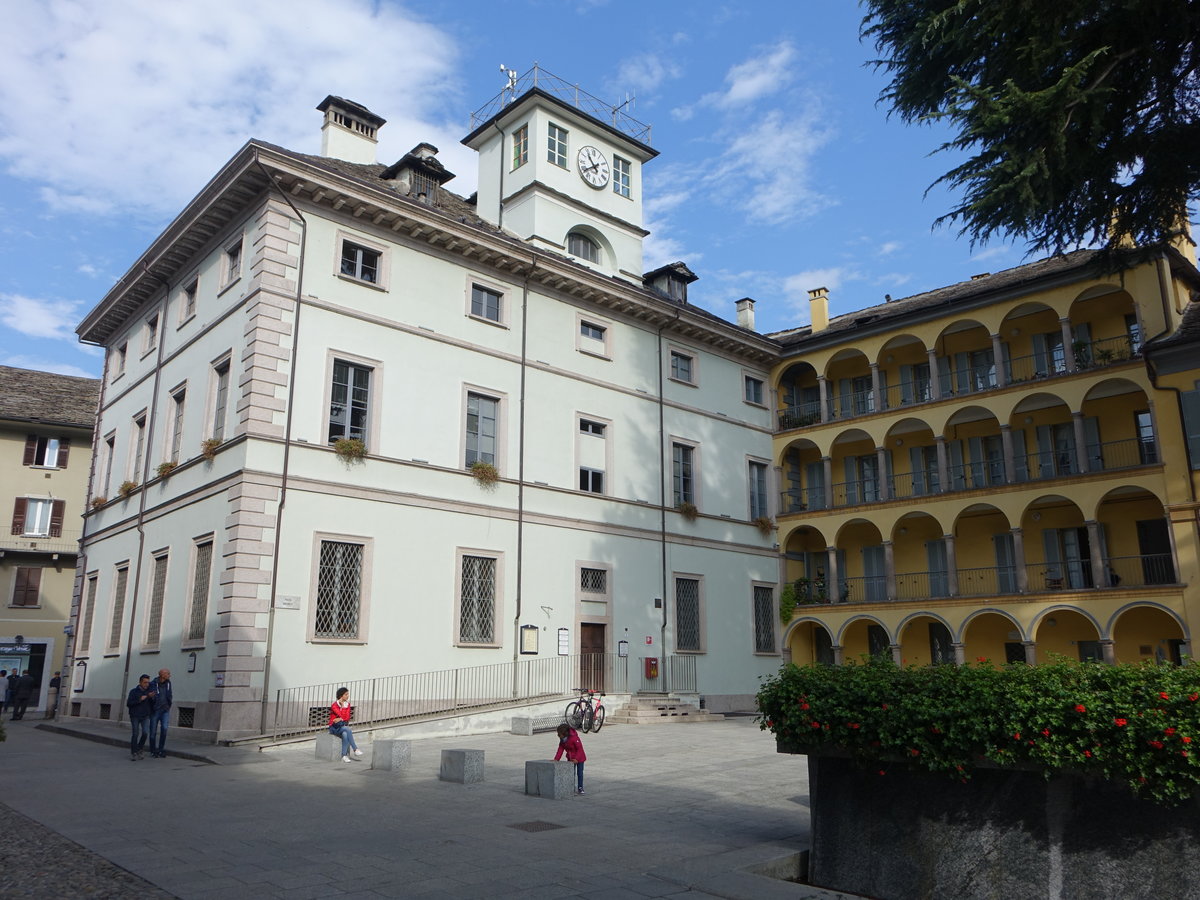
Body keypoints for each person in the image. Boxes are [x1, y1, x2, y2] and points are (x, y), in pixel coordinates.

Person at [328, 687, 363, 762]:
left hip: (342, 726)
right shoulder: (334, 705)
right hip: (334, 727)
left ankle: (344, 756)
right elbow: (341, 715)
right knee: (347, 729)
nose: (348, 696)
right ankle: (355, 749)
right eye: (346, 694)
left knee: (345, 734)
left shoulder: (348, 704)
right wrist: (342, 707)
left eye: (348, 694)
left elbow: (347, 717)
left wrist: (341, 718)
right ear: (341, 696)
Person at [126, 674, 155, 761]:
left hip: (145, 716)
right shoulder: (134, 691)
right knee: (135, 733)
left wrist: (152, 698)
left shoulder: (148, 692)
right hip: (135, 715)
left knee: (145, 733)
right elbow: (129, 703)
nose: (147, 684)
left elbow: (152, 704)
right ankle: (134, 752)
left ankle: (139, 748)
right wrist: (139, 700)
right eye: (145, 682)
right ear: (140, 682)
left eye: (148, 683)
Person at [555, 722, 588, 795]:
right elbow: (560, 749)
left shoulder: (574, 738)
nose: (558, 735)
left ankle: (580, 787)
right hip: (570, 758)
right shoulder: (562, 740)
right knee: (570, 773)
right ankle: (570, 786)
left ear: (564, 734)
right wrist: (556, 759)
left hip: (580, 758)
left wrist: (576, 759)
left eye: (559, 734)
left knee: (579, 773)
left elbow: (580, 749)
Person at [147, 668, 172, 758]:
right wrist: (153, 701)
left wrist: (169, 704)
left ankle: (161, 749)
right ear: (162, 675)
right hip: (156, 710)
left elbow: (169, 694)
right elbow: (151, 695)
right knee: (153, 731)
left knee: (164, 729)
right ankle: (153, 750)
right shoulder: (153, 683)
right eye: (168, 674)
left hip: (165, 709)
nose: (170, 675)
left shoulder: (168, 683)